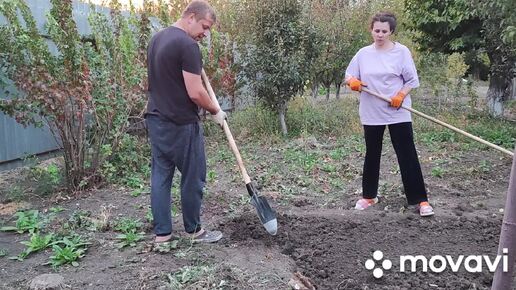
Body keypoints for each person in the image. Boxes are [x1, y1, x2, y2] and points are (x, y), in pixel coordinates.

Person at [145, 0, 226, 243]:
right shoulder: (188, 45)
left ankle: (163, 234)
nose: (205, 33)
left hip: (156, 120)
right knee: (193, 176)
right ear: (190, 16)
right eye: (204, 26)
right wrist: (215, 111)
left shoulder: (156, 40)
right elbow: (196, 92)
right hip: (181, 125)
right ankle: (194, 231)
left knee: (161, 177)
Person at [344, 12, 434, 217]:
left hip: (397, 111)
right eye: (377, 30)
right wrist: (353, 82)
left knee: (407, 153)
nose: (380, 34)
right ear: (371, 30)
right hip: (371, 111)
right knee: (372, 153)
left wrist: (401, 94)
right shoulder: (363, 54)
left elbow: (411, 80)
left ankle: (420, 200)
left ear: (391, 32)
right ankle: (369, 196)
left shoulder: (401, 52)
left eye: (385, 31)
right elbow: (349, 75)